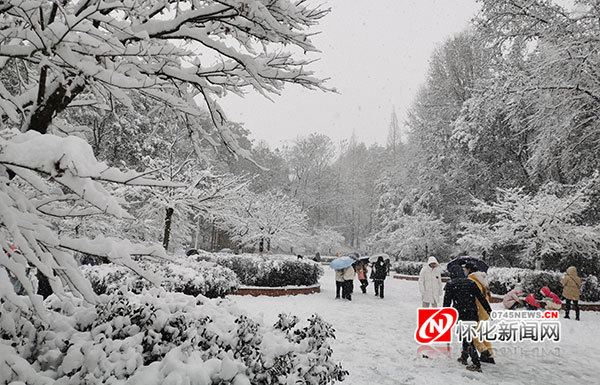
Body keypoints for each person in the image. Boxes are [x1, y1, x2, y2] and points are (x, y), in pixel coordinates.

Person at [443, 264, 492, 373]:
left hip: (461, 314)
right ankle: (464, 357)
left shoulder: (451, 284)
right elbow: (481, 298)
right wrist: (489, 310)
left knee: (468, 337)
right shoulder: (471, 282)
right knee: (467, 335)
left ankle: (476, 363)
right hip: (473, 313)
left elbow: (447, 302)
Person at [465, 262, 494, 364]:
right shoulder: (482, 279)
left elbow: (474, 297)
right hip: (485, 310)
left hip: (477, 310)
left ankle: (484, 351)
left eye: (465, 269)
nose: (465, 271)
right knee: (482, 333)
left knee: (473, 334)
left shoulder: (472, 280)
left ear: (468, 270)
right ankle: (490, 354)